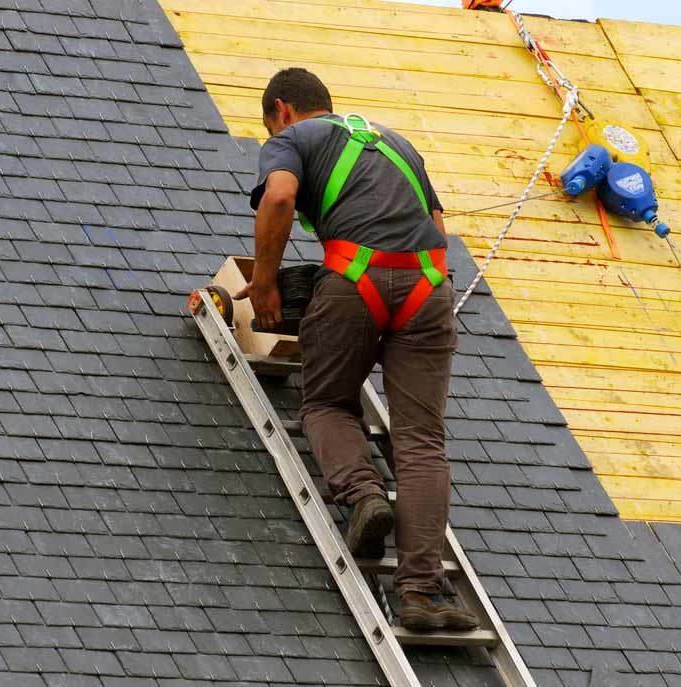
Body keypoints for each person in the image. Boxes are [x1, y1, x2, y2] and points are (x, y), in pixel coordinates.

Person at [236, 67, 478, 632]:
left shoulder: (291, 140)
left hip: (356, 278)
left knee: (325, 403)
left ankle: (363, 492)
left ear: (282, 109)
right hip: (428, 287)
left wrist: (267, 282)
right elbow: (436, 225)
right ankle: (422, 589)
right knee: (421, 441)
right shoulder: (397, 142)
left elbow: (278, 197)